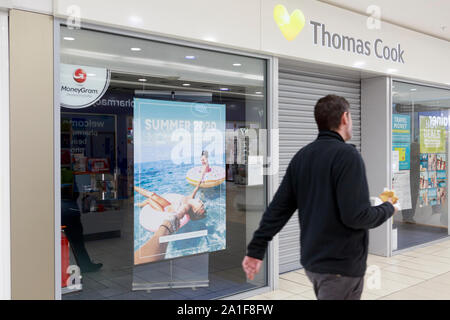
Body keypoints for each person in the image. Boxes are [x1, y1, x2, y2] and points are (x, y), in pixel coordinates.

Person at [242, 94, 398, 300]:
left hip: (314, 264)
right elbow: (356, 216)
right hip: (340, 267)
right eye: (350, 117)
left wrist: (256, 249)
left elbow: (278, 209)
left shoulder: (302, 156)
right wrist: (387, 208)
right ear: (344, 118)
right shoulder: (348, 156)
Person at [134, 174, 207, 264]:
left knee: (150, 200)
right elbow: (197, 186)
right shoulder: (190, 198)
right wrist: (202, 176)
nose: (202, 204)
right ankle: (134, 191)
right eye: (202, 206)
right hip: (167, 205)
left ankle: (138, 203)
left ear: (194, 209)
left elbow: (181, 212)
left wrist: (177, 216)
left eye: (201, 206)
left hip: (163, 213)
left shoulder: (187, 206)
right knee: (153, 195)